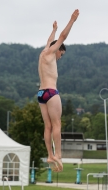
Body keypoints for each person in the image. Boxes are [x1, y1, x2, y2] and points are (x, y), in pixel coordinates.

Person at [37, 9, 79, 172]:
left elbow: (51, 40)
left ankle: (49, 155)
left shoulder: (43, 52)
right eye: (62, 54)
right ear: (59, 49)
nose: (61, 57)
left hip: (41, 94)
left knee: (47, 126)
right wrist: (72, 21)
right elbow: (62, 38)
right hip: (51, 93)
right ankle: (58, 155)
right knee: (57, 125)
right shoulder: (52, 52)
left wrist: (53, 29)